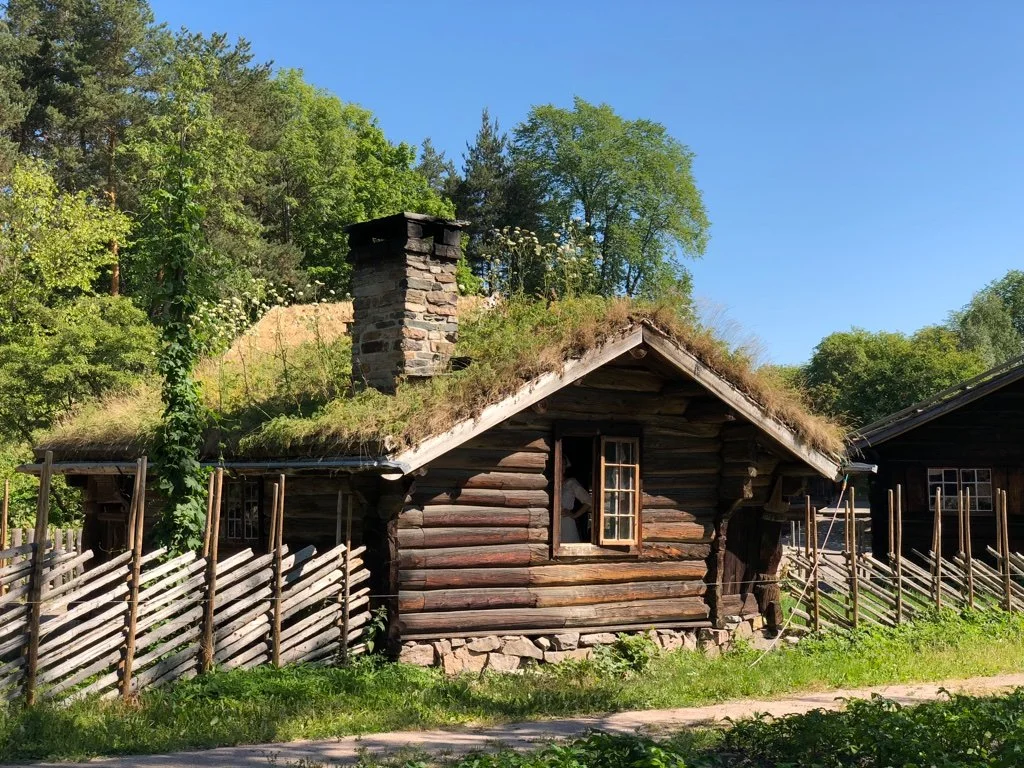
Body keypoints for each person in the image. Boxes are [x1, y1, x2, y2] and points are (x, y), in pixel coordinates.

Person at [560, 458, 592, 543]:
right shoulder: (549, 483)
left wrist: (574, 515)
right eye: (559, 463)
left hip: (566, 523)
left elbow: (589, 501)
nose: (561, 466)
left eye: (563, 464)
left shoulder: (571, 482)